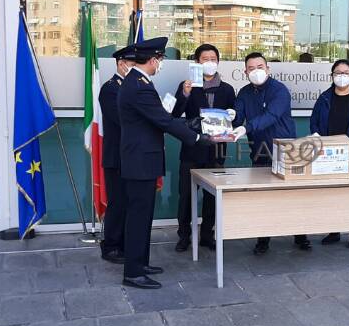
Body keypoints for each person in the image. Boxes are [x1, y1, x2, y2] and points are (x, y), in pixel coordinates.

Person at [118, 37, 214, 289]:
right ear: (152, 60)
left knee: (143, 215)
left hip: (142, 159)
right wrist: (195, 137)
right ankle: (133, 272)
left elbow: (161, 118)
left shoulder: (137, 82)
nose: (160, 64)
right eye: (159, 60)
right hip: (140, 161)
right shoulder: (138, 86)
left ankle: (140, 263)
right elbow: (163, 120)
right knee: (139, 217)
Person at [232, 52, 311, 255]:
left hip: (286, 152)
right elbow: (237, 117)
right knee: (262, 199)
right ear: (245, 72)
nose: (256, 71)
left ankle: (301, 235)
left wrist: (246, 128)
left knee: (292, 198)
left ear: (268, 69)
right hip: (260, 151)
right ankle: (263, 239)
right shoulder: (244, 93)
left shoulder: (279, 90)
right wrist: (229, 117)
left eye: (260, 67)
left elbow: (272, 115)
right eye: (251, 68)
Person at [171, 44, 236, 252]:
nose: (209, 62)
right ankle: (184, 235)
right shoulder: (187, 84)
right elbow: (175, 113)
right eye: (204, 58)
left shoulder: (226, 89)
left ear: (218, 62)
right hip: (192, 148)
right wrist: (185, 94)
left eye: (213, 58)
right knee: (186, 196)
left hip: (216, 149)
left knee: (212, 196)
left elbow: (233, 116)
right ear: (197, 62)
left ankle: (207, 234)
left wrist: (232, 115)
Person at [310, 59, 349, 249]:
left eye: (346, 73)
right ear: (332, 76)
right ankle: (334, 230)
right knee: (332, 195)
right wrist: (318, 139)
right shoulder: (325, 98)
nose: (341, 76)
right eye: (338, 73)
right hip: (328, 155)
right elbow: (314, 122)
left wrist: (347, 145)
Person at [98, 44, 136, 264]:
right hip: (117, 155)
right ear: (121, 64)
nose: (135, 67)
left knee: (128, 202)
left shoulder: (133, 87)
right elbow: (122, 121)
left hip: (131, 155)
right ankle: (111, 246)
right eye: (132, 63)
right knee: (118, 202)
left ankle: (123, 243)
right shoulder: (111, 88)